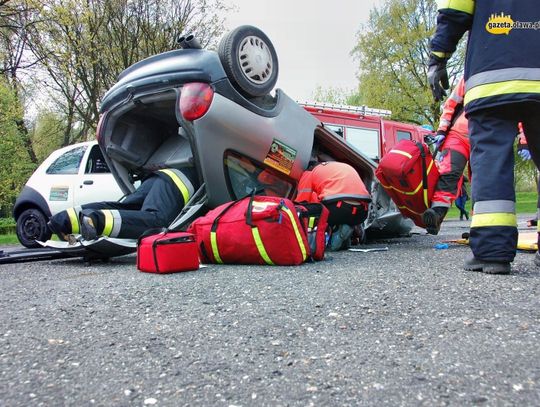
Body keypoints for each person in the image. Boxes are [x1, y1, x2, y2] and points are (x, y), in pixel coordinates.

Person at [428, 1, 540, 274]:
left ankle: (492, 252)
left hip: (492, 78)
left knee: (490, 165)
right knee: (454, 175)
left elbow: (455, 11)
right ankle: (439, 211)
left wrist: (438, 57)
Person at [48, 167, 198, 241]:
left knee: (127, 209)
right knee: (157, 221)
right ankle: (94, 220)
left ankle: (62, 220)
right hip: (180, 180)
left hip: (157, 176)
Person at [422, 77, 470, 234]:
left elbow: (522, 108)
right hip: (458, 135)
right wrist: (442, 130)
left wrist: (524, 138)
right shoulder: (470, 74)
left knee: (483, 182)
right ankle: (436, 216)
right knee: (448, 173)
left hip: (487, 136)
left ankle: (481, 227)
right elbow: (451, 105)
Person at [295, 161, 371, 251]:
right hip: (361, 213)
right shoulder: (340, 167)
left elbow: (302, 203)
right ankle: (345, 232)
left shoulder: (309, 173)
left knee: (313, 210)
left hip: (338, 209)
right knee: (333, 203)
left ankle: (334, 239)